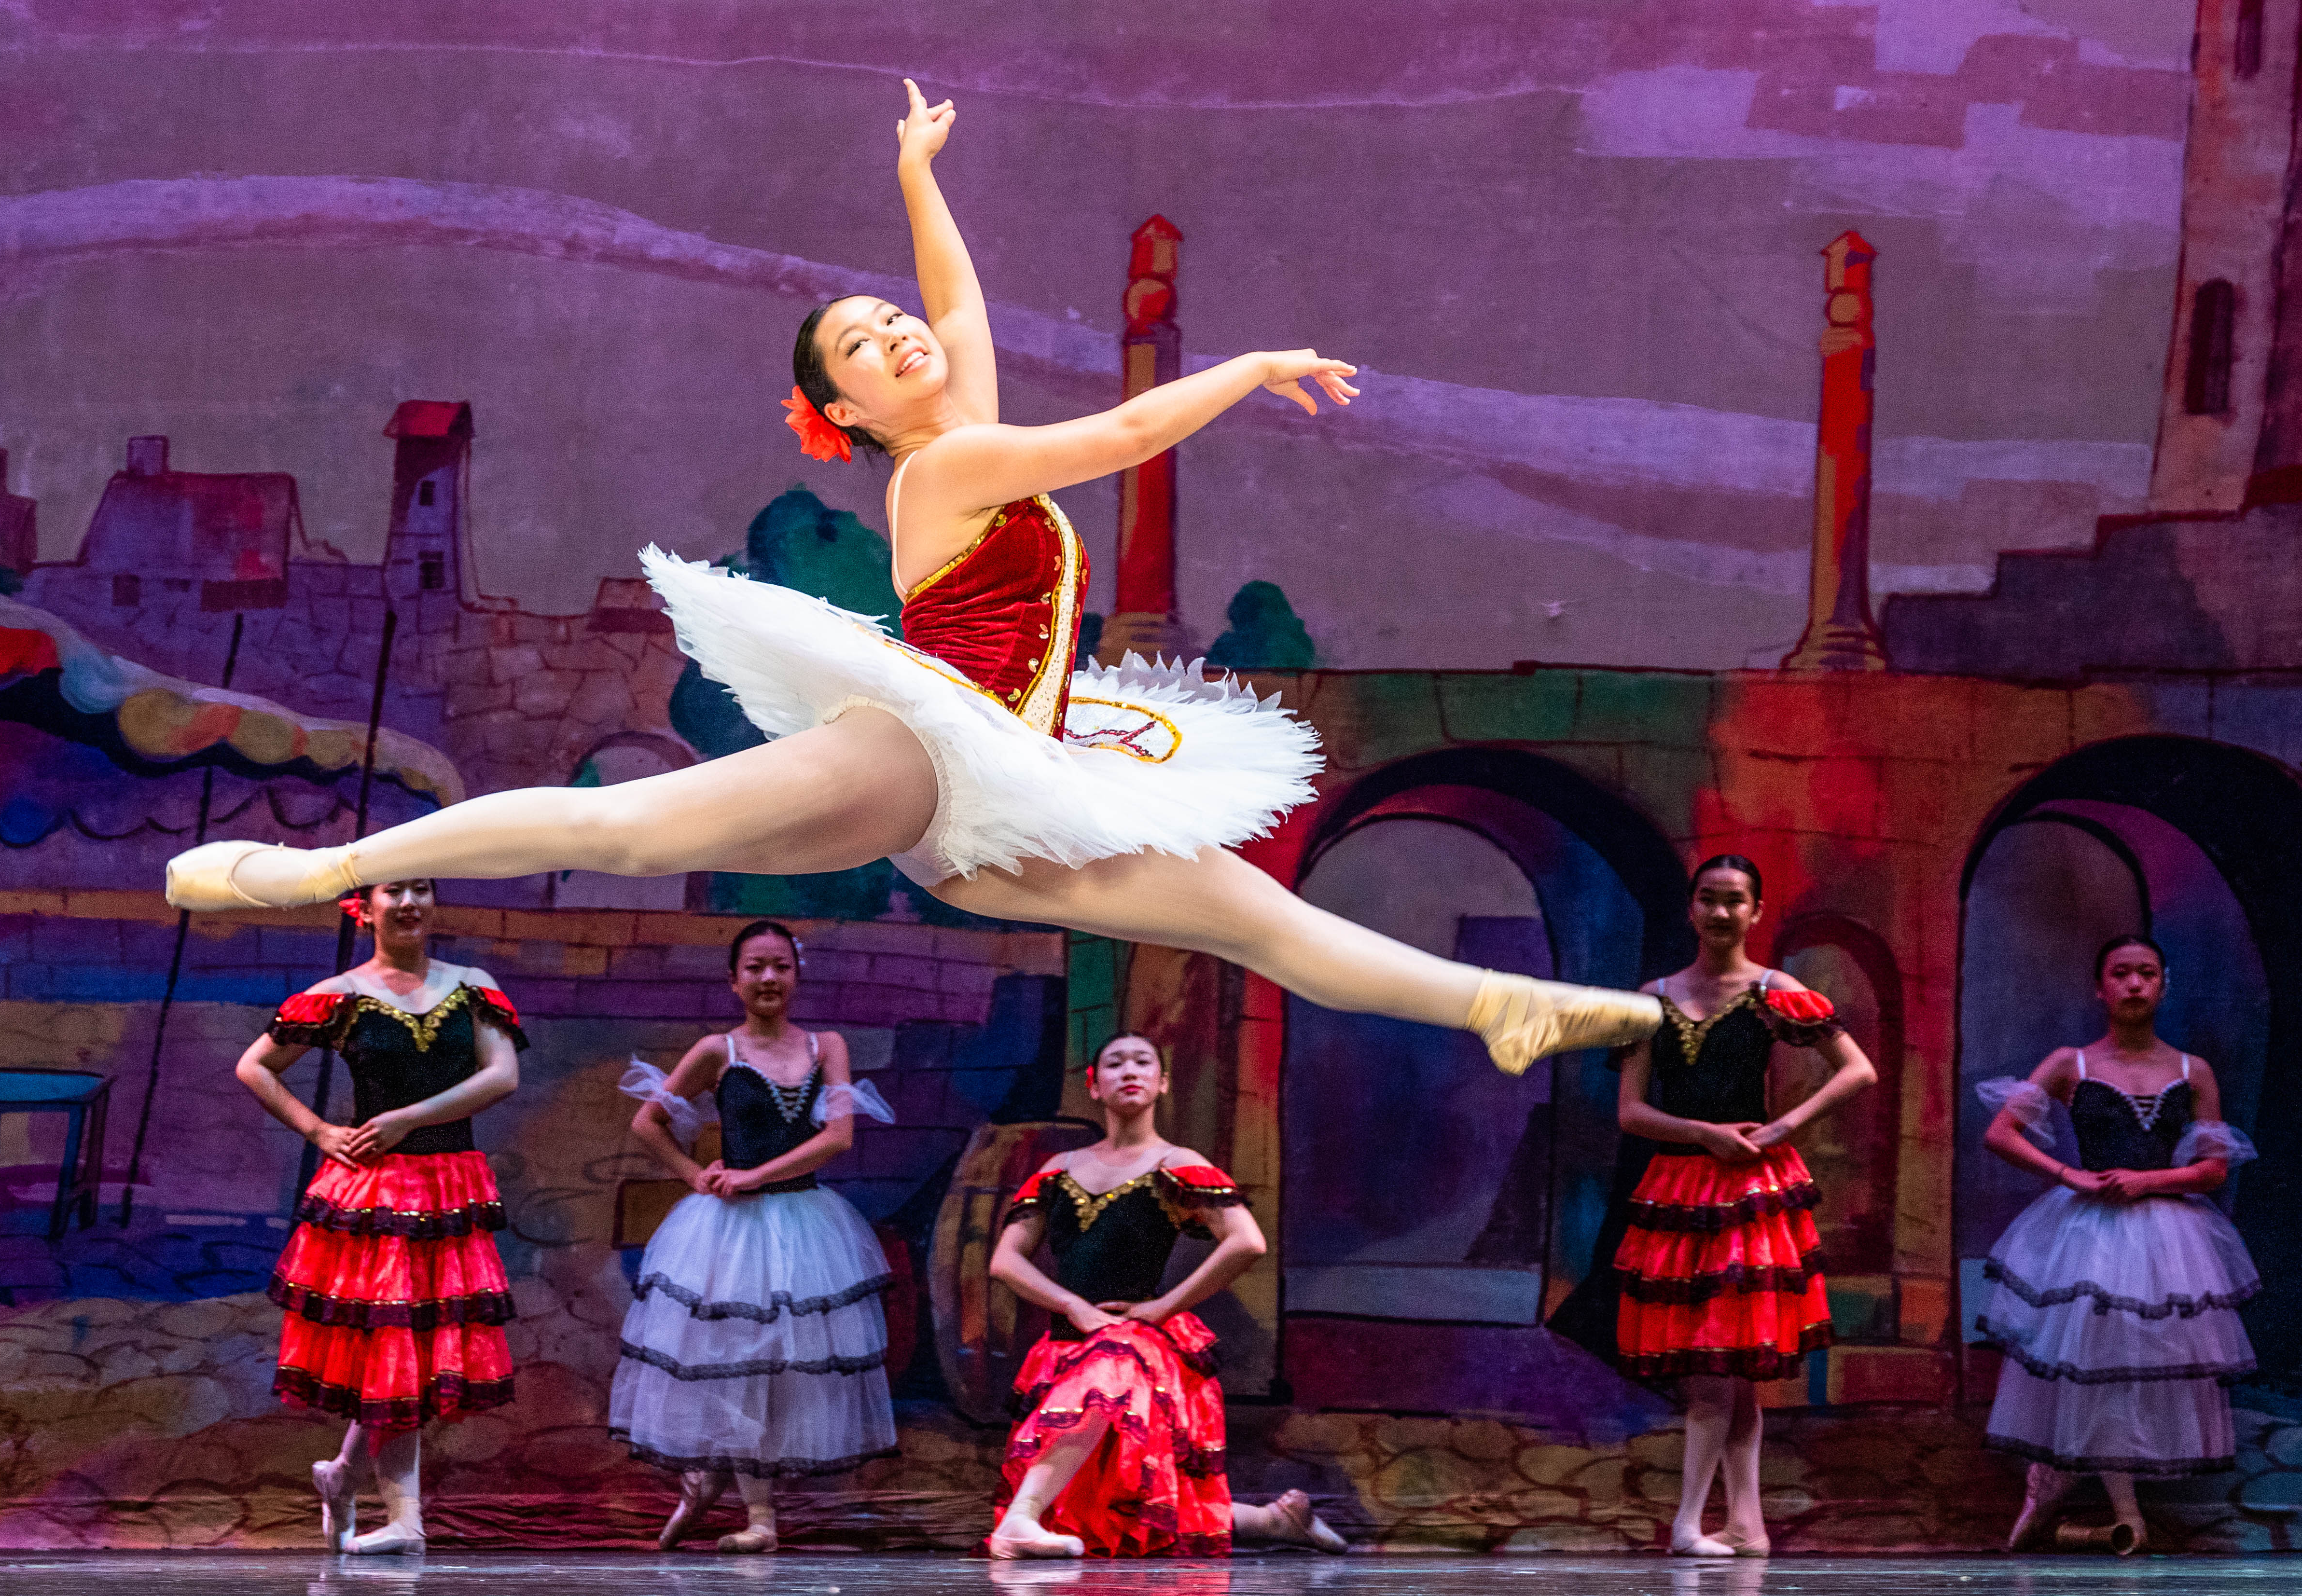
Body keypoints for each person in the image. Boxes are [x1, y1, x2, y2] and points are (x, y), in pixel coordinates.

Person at [161, 79, 1661, 1085]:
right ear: (849, 412)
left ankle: (1498, 1006)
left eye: (890, 323)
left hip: (1008, 796)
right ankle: (319, 873)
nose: (901, 337)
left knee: (1252, 921)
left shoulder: (966, 432)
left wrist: (914, 177)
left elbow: (963, 305)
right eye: (865, 350)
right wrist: (1252, 364)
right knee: (622, 828)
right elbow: (1123, 436)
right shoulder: (946, 472)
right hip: (921, 753)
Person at [233, 878, 524, 1555]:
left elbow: (502, 1075)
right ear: (364, 909)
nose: (410, 901)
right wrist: (319, 1130)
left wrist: (407, 1118)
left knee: (410, 1351)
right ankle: (403, 1517)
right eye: (396, 890)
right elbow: (255, 1067)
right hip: (381, 1192)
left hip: (448, 1183)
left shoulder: (471, 986)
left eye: (422, 888)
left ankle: (345, 1477)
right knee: (396, 1346)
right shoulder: (342, 995)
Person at [985, 1032, 1345, 1559]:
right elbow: (1005, 1260)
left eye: (1143, 1062)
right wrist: (1072, 1306)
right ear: (1094, 1085)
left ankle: (1020, 1520)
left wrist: (1162, 1307)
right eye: (1115, 1063)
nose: (1130, 1070)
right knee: (1109, 1504)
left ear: (1163, 1083)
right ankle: (1277, 1520)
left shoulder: (1175, 1163)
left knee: (1109, 1373)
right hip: (1069, 1341)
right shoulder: (1058, 1169)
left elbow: (1247, 1241)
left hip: (1133, 1342)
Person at [1610, 856, 1877, 1557]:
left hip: (1749, 1189)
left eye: (1735, 901)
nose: (1721, 913)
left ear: (1756, 911)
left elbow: (1857, 1069)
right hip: (1681, 1187)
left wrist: (1786, 1125)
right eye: (1709, 899)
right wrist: (1702, 1133)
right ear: (1690, 907)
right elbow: (1632, 1111)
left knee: (1725, 1365)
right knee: (1716, 1369)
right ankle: (1736, 1524)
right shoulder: (1653, 999)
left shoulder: (1773, 990)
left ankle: (1702, 1523)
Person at [609, 919, 899, 1552]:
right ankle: (754, 1511)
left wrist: (755, 1175)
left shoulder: (826, 1046)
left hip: (805, 1223)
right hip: (731, 1230)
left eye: (781, 966)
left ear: (797, 975)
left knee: (788, 1366)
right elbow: (648, 1121)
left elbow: (838, 1136)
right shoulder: (718, 1050)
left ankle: (732, 1493)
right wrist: (694, 1175)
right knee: (736, 1358)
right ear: (734, 981)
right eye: (755, 967)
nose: (769, 977)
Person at [1975, 934, 2258, 1555]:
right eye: (2121, 973)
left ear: (2164, 984)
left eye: (2146, 973)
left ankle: (2082, 1491)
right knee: (2093, 1362)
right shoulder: (2071, 1062)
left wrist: (2148, 1181)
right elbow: (2002, 1131)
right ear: (2100, 987)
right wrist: (2068, 1174)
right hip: (2090, 1232)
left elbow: (2214, 1167)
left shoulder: (2192, 1070)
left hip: (2169, 1237)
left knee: (2139, 1366)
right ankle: (2079, 1493)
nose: (2134, 983)